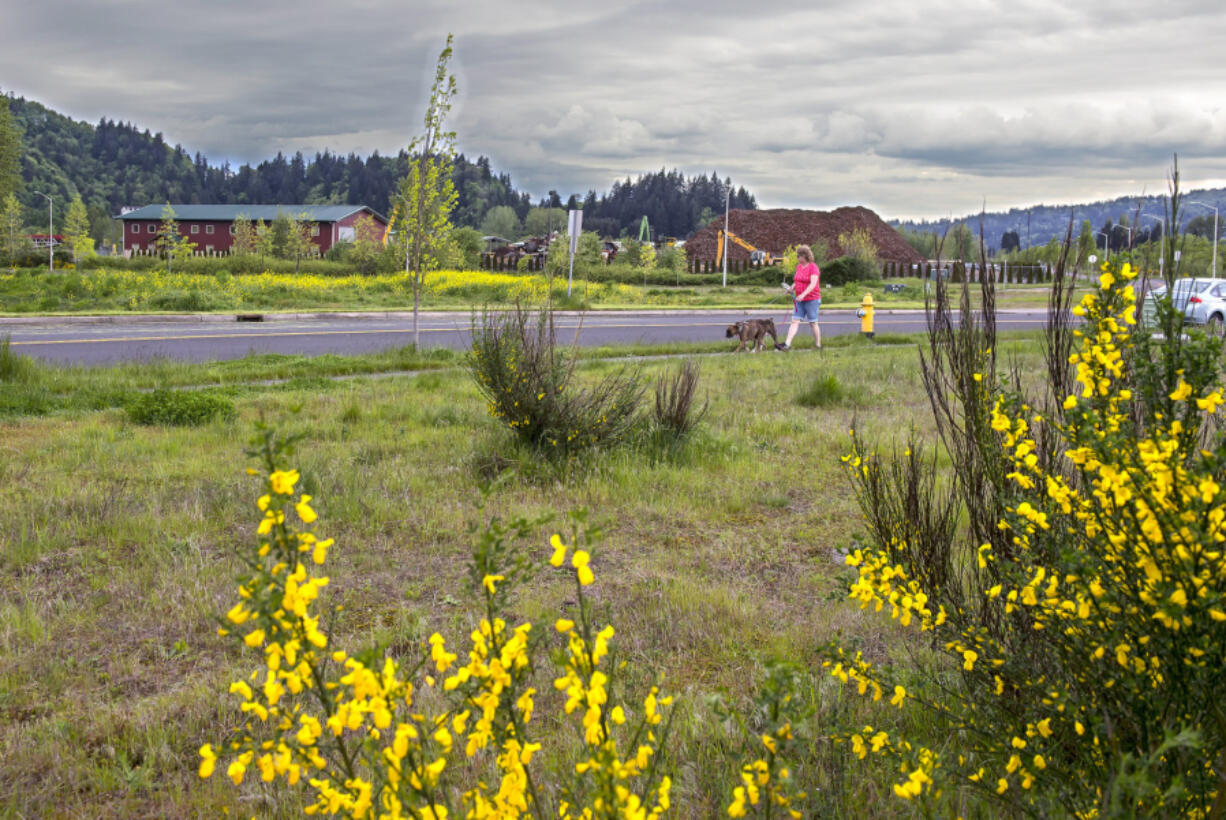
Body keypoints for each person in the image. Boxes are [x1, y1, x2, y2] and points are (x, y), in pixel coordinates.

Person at [777, 245, 821, 351]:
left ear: (804, 256)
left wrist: (803, 294)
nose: (797, 258)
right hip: (799, 300)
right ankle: (787, 344)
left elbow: (813, 284)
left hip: (812, 299)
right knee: (794, 321)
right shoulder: (799, 267)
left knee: (813, 323)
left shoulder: (813, 267)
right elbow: (797, 280)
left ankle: (818, 345)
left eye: (798, 256)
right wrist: (791, 288)